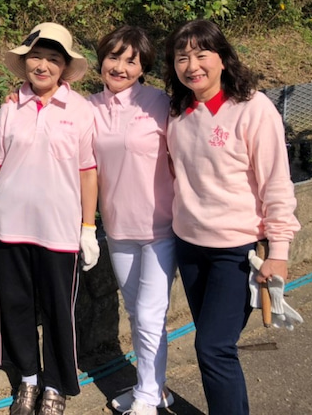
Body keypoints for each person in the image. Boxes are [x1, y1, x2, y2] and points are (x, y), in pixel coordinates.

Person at [163, 19, 300, 415]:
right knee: (215, 348)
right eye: (181, 57)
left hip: (236, 252)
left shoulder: (253, 109)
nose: (192, 65)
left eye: (201, 54)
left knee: (212, 347)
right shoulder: (178, 111)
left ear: (222, 58)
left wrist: (279, 251)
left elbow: (277, 183)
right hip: (189, 247)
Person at [0, 22, 99, 415]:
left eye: (53, 59)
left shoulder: (81, 110)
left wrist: (87, 228)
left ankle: (55, 386)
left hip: (58, 230)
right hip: (11, 227)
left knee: (60, 309)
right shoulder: (10, 107)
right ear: (24, 64)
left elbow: (88, 172)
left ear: (65, 67)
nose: (42, 65)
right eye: (35, 57)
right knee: (16, 305)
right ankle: (28, 379)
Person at [87, 26, 176, 415]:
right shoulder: (87, 107)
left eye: (131, 60)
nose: (120, 66)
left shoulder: (161, 103)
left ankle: (145, 398)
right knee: (136, 312)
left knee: (151, 314)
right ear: (101, 59)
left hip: (162, 228)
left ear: (143, 67)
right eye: (113, 56)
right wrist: (17, 96)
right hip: (118, 227)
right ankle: (153, 388)